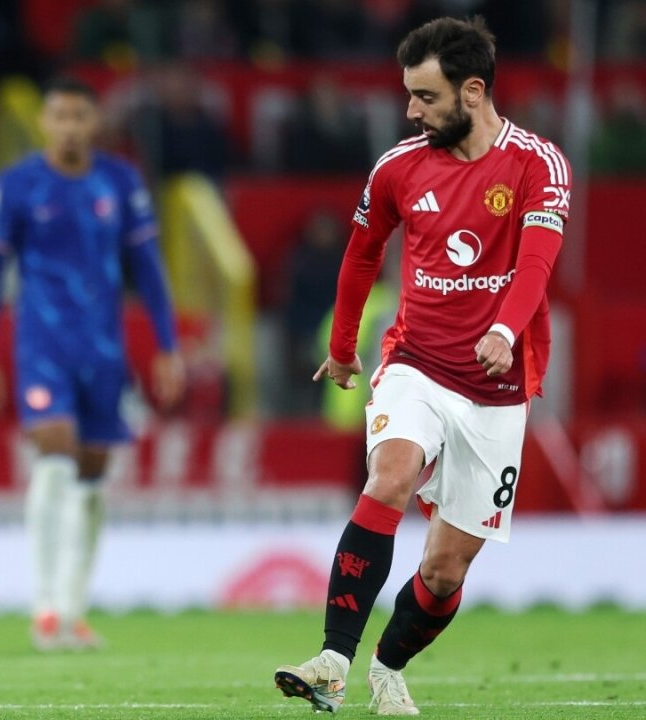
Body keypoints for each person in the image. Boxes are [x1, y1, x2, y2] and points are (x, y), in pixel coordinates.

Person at [274, 16, 571, 715]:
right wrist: (342, 345)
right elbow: (363, 252)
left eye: (425, 96)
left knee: (444, 570)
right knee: (392, 473)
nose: (411, 110)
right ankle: (332, 662)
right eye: (409, 95)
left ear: (473, 92)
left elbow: (537, 263)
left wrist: (504, 329)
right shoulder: (397, 167)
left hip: (498, 389)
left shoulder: (537, 164)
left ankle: (387, 667)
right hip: (417, 363)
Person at [0, 77, 184, 651]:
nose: (69, 127)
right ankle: (45, 607)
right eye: (59, 116)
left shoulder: (120, 181)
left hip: (104, 350)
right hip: (42, 346)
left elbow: (149, 268)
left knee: (92, 475)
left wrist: (167, 346)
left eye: (79, 117)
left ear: (95, 123)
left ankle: (73, 608)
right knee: (55, 456)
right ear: (44, 122)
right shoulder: (17, 185)